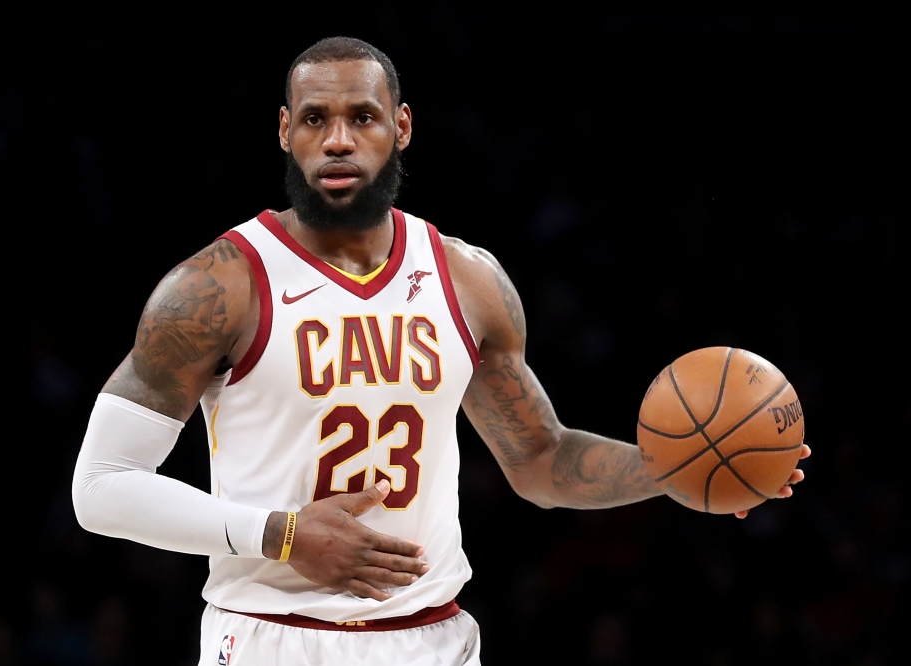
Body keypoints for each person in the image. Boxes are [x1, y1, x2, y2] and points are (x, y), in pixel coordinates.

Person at [71, 36, 810, 665]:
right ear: (284, 131)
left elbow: (541, 462)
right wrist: (282, 535)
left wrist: (678, 468)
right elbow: (101, 486)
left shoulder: (468, 279)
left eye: (361, 117)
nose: (338, 139)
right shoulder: (219, 286)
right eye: (315, 119)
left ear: (401, 126)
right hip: (273, 637)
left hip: (432, 639)